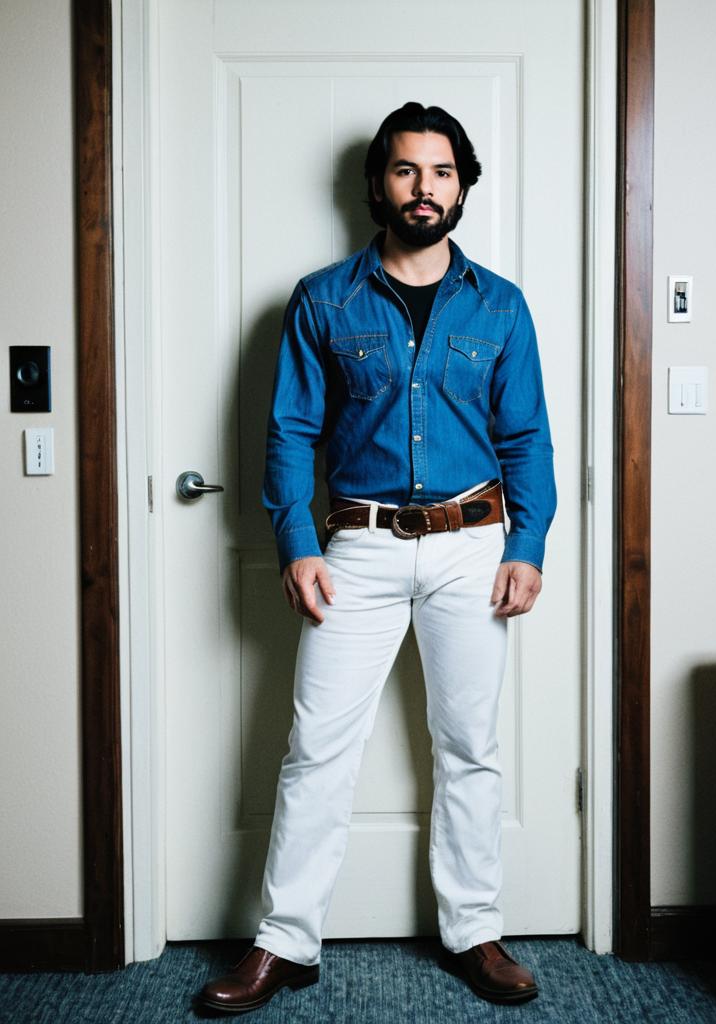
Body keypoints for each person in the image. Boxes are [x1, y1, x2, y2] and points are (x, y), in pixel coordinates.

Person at [200, 101, 556, 1013]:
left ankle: (476, 930)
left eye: (440, 172)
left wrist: (527, 544)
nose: (423, 188)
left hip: (473, 547)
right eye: (406, 171)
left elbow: (528, 441)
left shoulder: (501, 306)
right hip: (352, 549)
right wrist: (295, 541)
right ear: (377, 186)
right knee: (316, 747)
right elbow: (288, 433)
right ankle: (284, 943)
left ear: (462, 186)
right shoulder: (325, 299)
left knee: (469, 745)